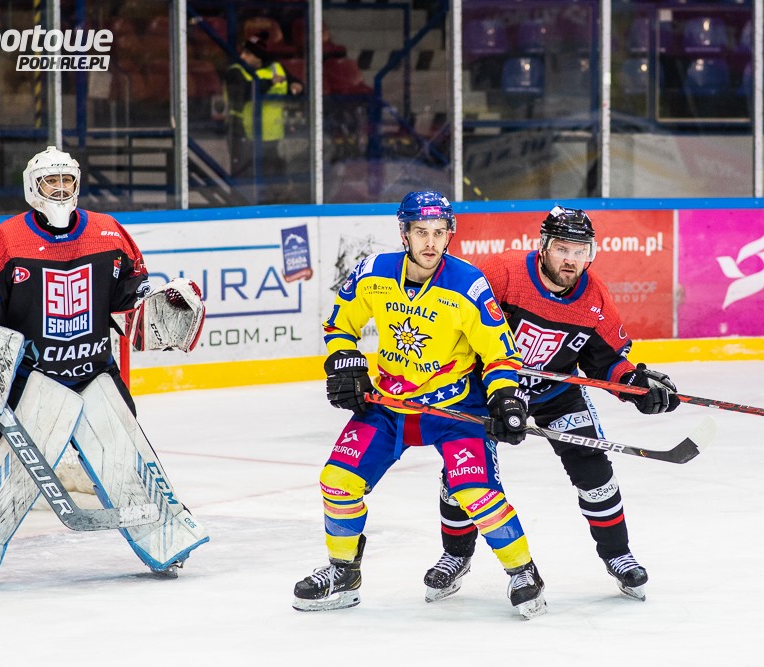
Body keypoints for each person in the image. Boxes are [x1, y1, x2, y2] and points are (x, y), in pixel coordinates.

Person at [0, 146, 208, 588]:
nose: (61, 189)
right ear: (33, 187)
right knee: (9, 470)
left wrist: (160, 303)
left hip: (94, 373)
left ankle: (167, 540)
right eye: (51, 181)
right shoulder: (7, 239)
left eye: (67, 180)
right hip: (32, 381)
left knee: (126, 459)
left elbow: (132, 297)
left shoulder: (107, 232)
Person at [293, 191, 547, 619]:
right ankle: (343, 571)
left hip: (455, 409)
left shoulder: (468, 284)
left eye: (439, 232)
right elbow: (340, 324)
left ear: (450, 235)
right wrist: (345, 361)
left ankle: (523, 572)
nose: (430, 242)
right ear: (404, 233)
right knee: (337, 480)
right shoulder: (372, 273)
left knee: (476, 493)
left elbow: (501, 354)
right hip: (388, 405)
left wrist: (505, 397)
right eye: (421, 232)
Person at [422, 205, 680, 603]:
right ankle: (456, 554)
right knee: (463, 472)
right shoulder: (502, 274)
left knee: (595, 472)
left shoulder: (594, 299)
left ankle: (618, 555)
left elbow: (605, 362)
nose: (571, 260)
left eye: (580, 251)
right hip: (489, 391)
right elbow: (454, 325)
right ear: (543, 246)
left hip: (554, 395)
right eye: (562, 249)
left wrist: (634, 385)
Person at [223, 30, 304, 200]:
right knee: (246, 175)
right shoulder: (235, 71)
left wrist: (297, 86)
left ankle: (279, 201)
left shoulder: (276, 67)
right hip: (243, 133)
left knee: (273, 174)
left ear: (259, 57)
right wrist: (269, 82)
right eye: (243, 52)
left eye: (248, 53)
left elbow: (293, 81)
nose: (242, 56)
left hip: (272, 134)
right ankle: (243, 205)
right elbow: (243, 93)